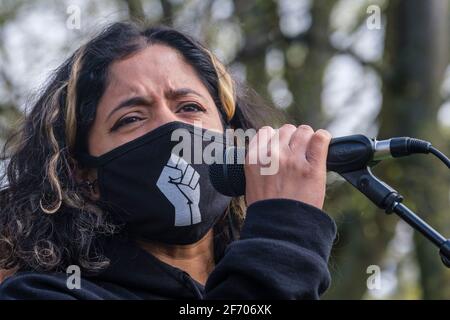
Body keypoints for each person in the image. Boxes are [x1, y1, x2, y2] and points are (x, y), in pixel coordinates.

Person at [0, 21, 336, 299]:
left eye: (189, 107)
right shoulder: (38, 293)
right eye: (131, 118)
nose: (172, 127)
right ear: (81, 173)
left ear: (235, 140)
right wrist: (282, 239)